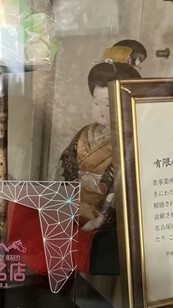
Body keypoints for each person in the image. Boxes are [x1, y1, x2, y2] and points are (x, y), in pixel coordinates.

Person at [59, 41, 146, 232]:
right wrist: (64, 199)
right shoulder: (85, 133)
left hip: (105, 216)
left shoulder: (131, 139)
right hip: (75, 206)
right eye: (96, 103)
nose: (101, 111)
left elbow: (121, 184)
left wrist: (102, 217)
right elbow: (66, 164)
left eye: (108, 104)